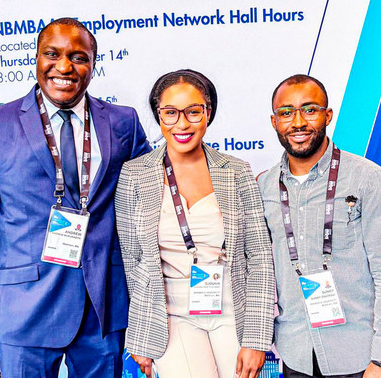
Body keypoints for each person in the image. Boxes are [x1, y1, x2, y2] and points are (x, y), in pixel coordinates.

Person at [0, 18, 150, 377]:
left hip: (102, 307)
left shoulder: (123, 122)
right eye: (52, 54)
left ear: (94, 64)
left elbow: (151, 203)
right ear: (36, 58)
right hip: (23, 309)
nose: (64, 67)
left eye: (79, 57)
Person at [115, 69, 274, 378]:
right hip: (170, 315)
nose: (182, 124)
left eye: (193, 111)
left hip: (232, 307)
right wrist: (140, 334)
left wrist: (257, 337)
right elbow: (133, 262)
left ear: (208, 113)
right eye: (170, 113)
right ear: (158, 116)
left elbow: (259, 257)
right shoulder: (135, 174)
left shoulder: (236, 171)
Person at [257, 74, 381, 378]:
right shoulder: (264, 186)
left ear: (327, 115)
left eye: (310, 110)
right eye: (286, 113)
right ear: (274, 121)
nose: (298, 122)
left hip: (359, 357)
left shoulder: (367, 179)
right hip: (295, 355)